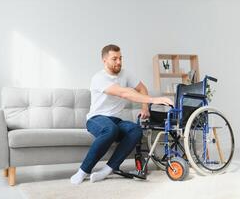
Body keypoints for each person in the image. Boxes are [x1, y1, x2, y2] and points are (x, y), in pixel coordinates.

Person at [70, 44, 173, 184]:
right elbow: (124, 93)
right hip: (96, 119)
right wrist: (154, 100)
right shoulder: (99, 78)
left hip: (116, 120)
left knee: (136, 130)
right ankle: (83, 171)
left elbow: (142, 88)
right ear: (104, 60)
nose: (119, 62)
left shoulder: (126, 74)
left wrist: (145, 108)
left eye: (120, 58)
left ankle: (107, 170)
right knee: (110, 129)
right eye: (114, 59)